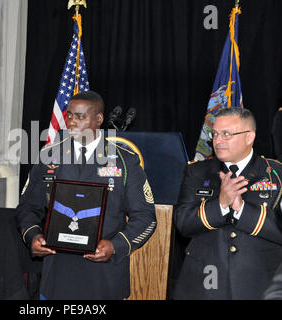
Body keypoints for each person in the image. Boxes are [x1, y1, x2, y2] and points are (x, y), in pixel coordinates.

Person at [16, 90, 157, 300]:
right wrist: (32, 236)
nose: (72, 122)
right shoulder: (49, 157)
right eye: (70, 116)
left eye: (80, 117)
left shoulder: (124, 161)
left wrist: (116, 245)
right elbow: (27, 207)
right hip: (58, 276)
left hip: (103, 277)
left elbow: (145, 217)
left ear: (99, 119)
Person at [173, 107, 282, 299]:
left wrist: (242, 209)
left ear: (249, 137)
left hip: (260, 284)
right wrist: (221, 203)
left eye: (226, 134)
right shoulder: (197, 172)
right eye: (214, 134)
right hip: (205, 283)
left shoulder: (276, 174)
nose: (217, 141)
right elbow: (183, 224)